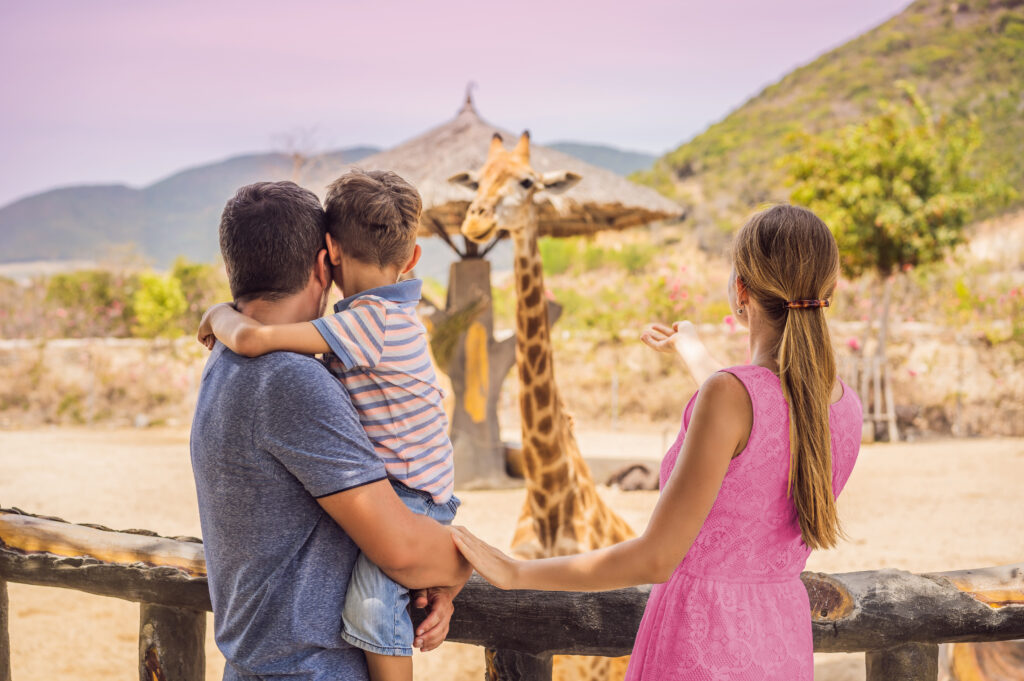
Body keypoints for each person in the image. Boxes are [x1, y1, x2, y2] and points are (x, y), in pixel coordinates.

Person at [451, 204, 863, 680]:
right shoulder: (840, 405)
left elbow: (656, 557)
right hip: (782, 641)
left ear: (740, 290)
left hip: (701, 643)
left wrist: (516, 572)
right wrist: (691, 349)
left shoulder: (729, 397)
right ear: (828, 291)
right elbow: (763, 417)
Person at [190, 180, 470, 681]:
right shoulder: (292, 378)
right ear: (325, 262)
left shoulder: (222, 363)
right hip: (311, 669)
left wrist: (218, 313)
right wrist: (462, 563)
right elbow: (402, 549)